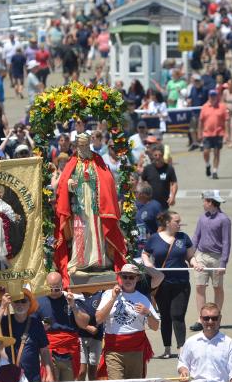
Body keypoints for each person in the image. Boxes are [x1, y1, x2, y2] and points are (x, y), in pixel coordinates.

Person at [54, 132, 126, 281]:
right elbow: (63, 182)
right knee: (80, 231)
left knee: (96, 231)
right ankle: (80, 262)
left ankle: (99, 261)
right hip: (79, 204)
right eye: (81, 145)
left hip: (95, 204)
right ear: (76, 145)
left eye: (86, 145)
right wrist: (70, 185)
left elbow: (107, 180)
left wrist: (97, 184)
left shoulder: (97, 160)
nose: (83, 148)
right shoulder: (73, 162)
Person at [143, 210, 195, 359]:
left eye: (179, 221)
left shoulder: (183, 238)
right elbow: (145, 253)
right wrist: (147, 263)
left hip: (181, 283)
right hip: (162, 283)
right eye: (176, 222)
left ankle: (181, 348)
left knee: (177, 315)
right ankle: (167, 348)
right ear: (167, 223)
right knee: (165, 316)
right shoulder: (154, 239)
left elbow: (190, 256)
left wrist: (195, 263)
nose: (180, 224)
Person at [96, 263, 161, 379]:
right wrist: (113, 299)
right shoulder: (108, 294)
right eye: (124, 276)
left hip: (135, 350)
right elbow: (98, 319)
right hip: (114, 350)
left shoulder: (142, 298)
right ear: (120, 278)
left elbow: (155, 327)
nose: (127, 280)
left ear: (137, 278)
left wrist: (148, 313)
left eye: (131, 277)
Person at [35, 272, 92, 381]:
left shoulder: (71, 299)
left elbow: (84, 324)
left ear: (62, 285)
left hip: (70, 348)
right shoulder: (39, 302)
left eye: (57, 289)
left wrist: (74, 307)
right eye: (50, 289)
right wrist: (41, 327)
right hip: (49, 348)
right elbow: (31, 327)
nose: (54, 292)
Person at [189, 191, 231, 330]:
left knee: (217, 287)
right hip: (201, 255)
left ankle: (216, 317)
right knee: (200, 286)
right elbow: (196, 237)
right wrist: (190, 255)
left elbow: (226, 242)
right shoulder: (202, 218)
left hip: (217, 257)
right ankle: (201, 319)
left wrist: (223, 263)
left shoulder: (224, 219)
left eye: (205, 201)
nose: (203, 203)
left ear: (211, 202)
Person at [0, 290, 54, 382]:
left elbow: (44, 350)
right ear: (12, 304)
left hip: (32, 378)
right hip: (9, 378)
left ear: (29, 303)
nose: (20, 304)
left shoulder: (36, 323)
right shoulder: (6, 322)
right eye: (16, 301)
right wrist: (3, 306)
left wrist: (49, 373)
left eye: (23, 301)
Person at [198, 89, 228, 179]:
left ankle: (215, 171)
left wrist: (226, 134)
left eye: (214, 95)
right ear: (209, 97)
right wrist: (199, 133)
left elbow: (226, 121)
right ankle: (207, 165)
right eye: (211, 96)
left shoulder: (222, 107)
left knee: (216, 152)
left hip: (218, 133)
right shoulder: (204, 107)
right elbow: (201, 121)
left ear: (217, 96)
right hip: (207, 134)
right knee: (206, 152)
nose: (213, 97)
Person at [135, 184, 163, 249]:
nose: (135, 194)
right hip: (138, 245)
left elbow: (161, 226)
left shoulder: (155, 206)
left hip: (150, 246)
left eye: (136, 192)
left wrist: (154, 242)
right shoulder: (137, 204)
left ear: (143, 194)